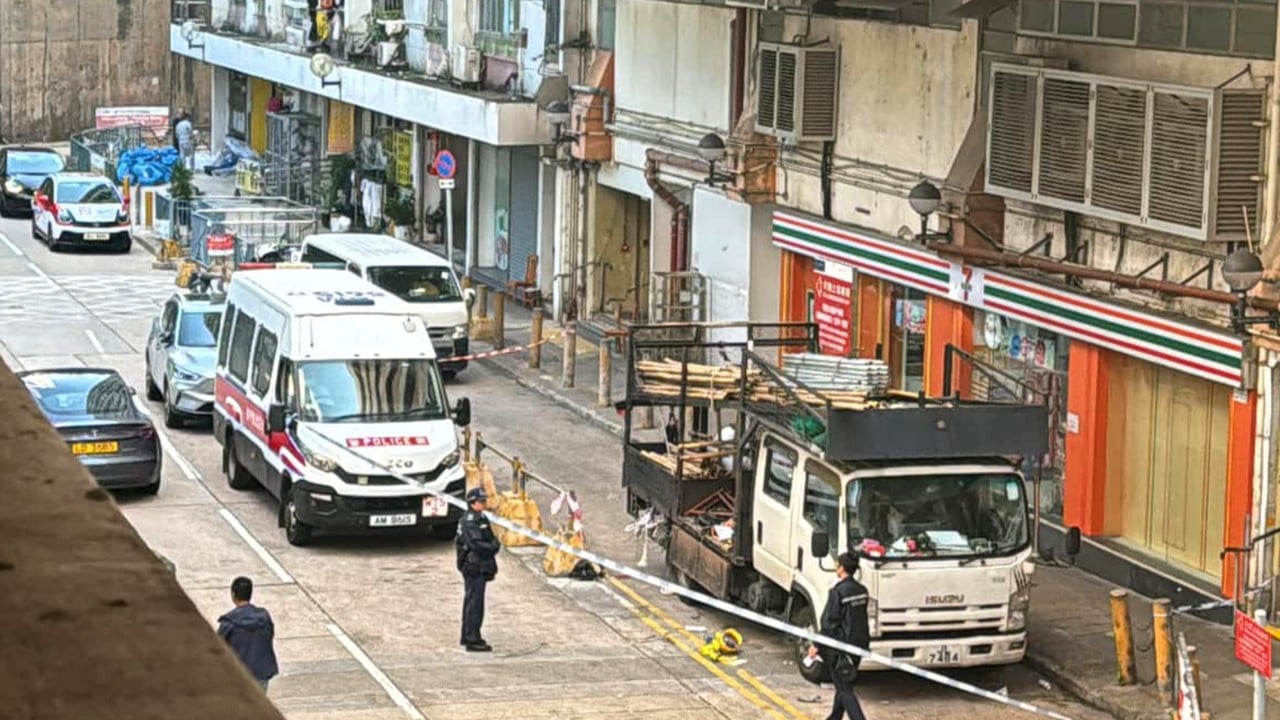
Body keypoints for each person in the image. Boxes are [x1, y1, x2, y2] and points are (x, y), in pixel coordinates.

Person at [807, 552, 870, 720]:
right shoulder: (862, 591)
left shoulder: (838, 592)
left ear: (841, 568)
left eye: (837, 564)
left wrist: (817, 645)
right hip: (859, 645)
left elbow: (829, 623)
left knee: (844, 688)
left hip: (840, 648)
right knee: (844, 682)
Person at [456, 488, 500, 652]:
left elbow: (491, 537)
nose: (484, 503)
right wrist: (492, 547)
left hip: (479, 565)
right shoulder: (470, 521)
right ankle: (471, 638)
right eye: (481, 501)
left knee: (474, 602)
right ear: (472, 503)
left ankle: (471, 635)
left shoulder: (480, 518)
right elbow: (477, 544)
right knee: (474, 603)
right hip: (474, 566)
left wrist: (493, 545)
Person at [217, 576, 279, 692]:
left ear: (233, 595)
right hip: (261, 673)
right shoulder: (264, 618)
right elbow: (269, 636)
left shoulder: (229, 623)